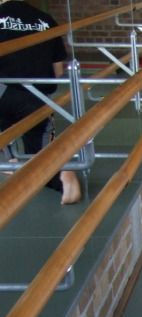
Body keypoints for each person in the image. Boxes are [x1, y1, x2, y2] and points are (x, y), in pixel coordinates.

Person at [0, 0, 81, 204]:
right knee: (39, 154)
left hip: (4, 91)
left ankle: (10, 161)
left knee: (3, 134)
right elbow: (58, 70)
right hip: (38, 95)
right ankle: (62, 176)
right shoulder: (46, 20)